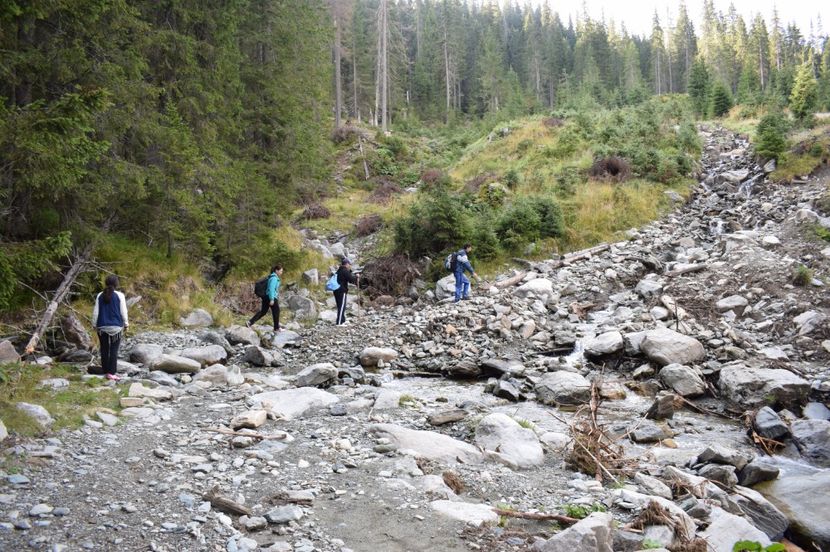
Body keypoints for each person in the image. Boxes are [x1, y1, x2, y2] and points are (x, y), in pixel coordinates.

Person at [92, 274, 129, 381]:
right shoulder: (120, 295)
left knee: (104, 349)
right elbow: (123, 311)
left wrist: (94, 324)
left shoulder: (100, 295)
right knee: (114, 350)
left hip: (102, 327)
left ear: (106, 283)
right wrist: (126, 323)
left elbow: (96, 312)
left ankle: (105, 371)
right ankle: (112, 373)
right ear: (116, 284)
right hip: (116, 327)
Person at [248, 265, 283, 331]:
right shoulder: (274, 278)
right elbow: (271, 289)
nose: (281, 272)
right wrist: (272, 299)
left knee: (263, 311)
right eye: (281, 271)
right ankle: (276, 328)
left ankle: (250, 322)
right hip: (271, 297)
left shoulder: (271, 277)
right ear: (276, 270)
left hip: (266, 296)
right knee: (276, 311)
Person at [333, 258, 359, 325]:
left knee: (340, 306)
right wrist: (356, 277)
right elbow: (351, 279)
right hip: (341, 290)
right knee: (342, 306)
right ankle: (339, 322)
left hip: (336, 290)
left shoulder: (339, 270)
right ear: (347, 264)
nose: (350, 266)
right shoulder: (344, 271)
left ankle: (343, 320)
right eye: (349, 264)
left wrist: (350, 271)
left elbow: (347, 277)